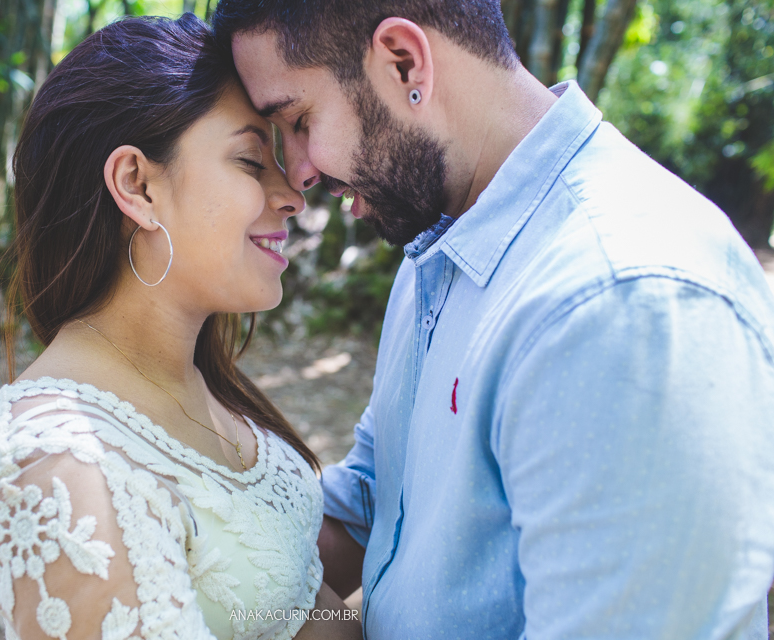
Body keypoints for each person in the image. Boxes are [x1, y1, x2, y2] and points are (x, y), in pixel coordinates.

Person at [213, 0, 774, 638]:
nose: (300, 170)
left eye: (298, 120)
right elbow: (379, 502)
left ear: (403, 63)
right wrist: (177, 573)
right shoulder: (441, 246)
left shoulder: (619, 303)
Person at [0, 14, 361, 640]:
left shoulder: (199, 384)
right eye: (253, 161)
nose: (292, 195)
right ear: (137, 185)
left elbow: (295, 601)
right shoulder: (55, 468)